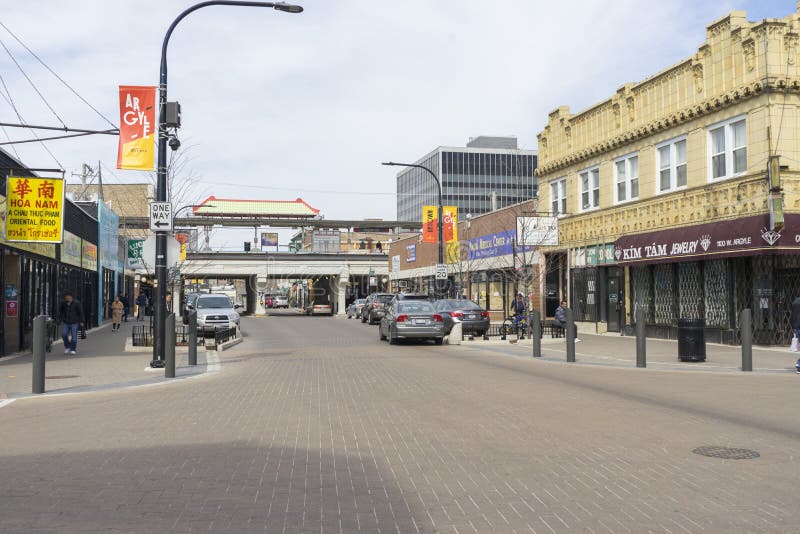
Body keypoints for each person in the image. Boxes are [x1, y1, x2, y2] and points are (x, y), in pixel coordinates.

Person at [790, 295, 800, 372]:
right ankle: (799, 364)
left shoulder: (795, 302)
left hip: (797, 327)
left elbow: (792, 316)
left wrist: (794, 326)